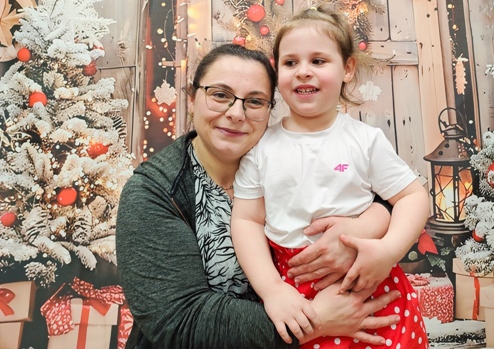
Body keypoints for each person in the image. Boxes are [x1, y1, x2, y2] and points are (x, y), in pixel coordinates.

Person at [116, 43, 404, 349]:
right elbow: (178, 322)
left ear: (269, 109)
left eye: (254, 101)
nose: (235, 113)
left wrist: (365, 227)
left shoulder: (282, 158)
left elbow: (385, 195)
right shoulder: (153, 193)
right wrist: (316, 321)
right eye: (220, 95)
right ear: (192, 98)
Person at [232, 7, 430, 348]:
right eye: (290, 63)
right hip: (295, 291)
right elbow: (247, 220)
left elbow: (413, 197)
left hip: (370, 285)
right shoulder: (261, 148)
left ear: (347, 69)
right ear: (277, 71)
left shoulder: (364, 140)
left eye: (318, 61)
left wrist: (386, 251)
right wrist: (272, 290)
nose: (303, 72)